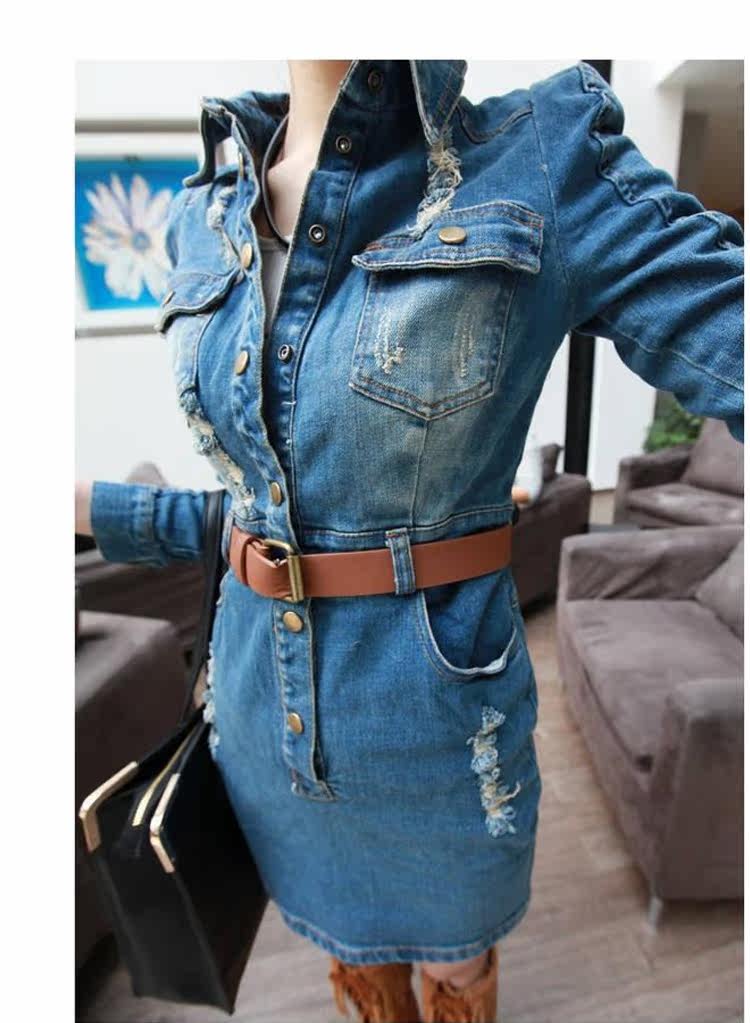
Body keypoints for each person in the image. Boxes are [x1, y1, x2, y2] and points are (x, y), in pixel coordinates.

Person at [75, 60, 744, 1022]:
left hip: (437, 741)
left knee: (459, 972)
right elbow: (252, 518)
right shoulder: (203, 212)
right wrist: (86, 507)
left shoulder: (537, 160)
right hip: (258, 716)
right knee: (354, 966)